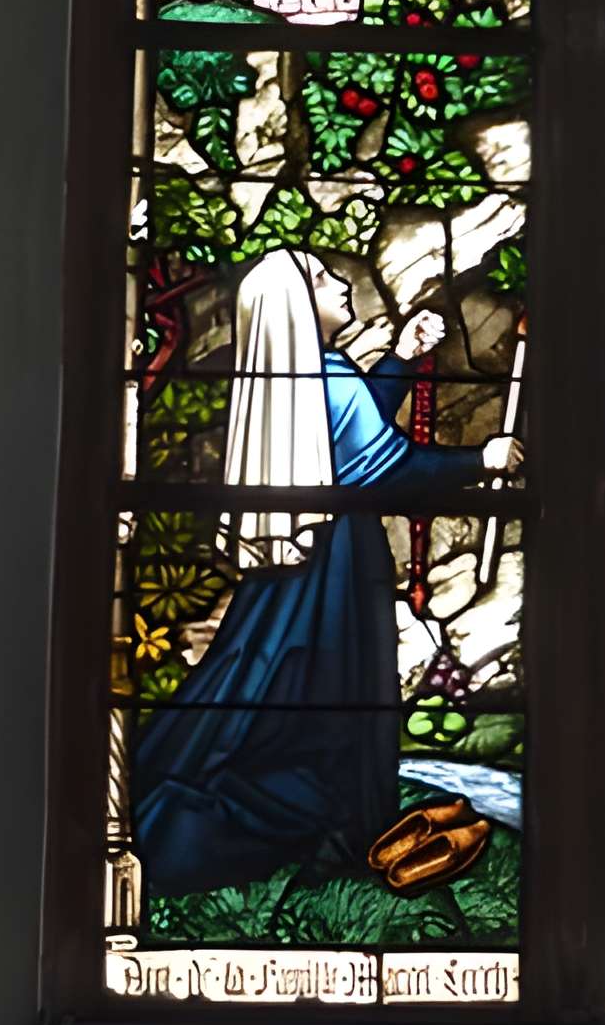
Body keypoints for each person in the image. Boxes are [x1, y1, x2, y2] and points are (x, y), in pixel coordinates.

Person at [132, 249, 521, 895]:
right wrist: (483, 456)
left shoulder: (301, 377)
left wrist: (399, 356)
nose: (341, 282)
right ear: (293, 307)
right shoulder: (328, 378)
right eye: (320, 278)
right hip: (336, 566)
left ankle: (332, 820)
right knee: (339, 695)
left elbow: (346, 435)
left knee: (273, 684)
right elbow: (388, 469)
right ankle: (332, 828)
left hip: (301, 564)